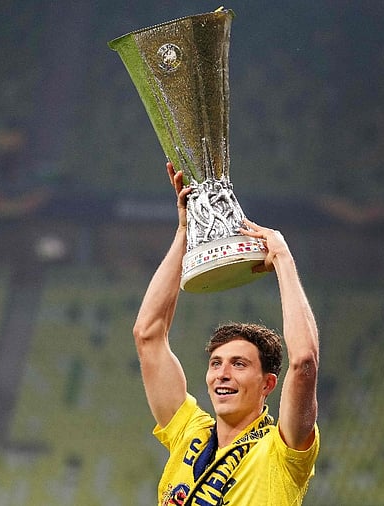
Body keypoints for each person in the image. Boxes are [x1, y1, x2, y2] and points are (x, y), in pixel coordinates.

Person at [133, 162, 320, 506]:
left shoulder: (282, 450)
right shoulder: (191, 432)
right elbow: (148, 335)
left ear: (267, 384)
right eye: (216, 363)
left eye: (238, 364)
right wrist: (185, 234)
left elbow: (304, 361)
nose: (222, 373)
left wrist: (281, 257)